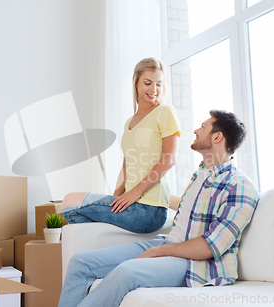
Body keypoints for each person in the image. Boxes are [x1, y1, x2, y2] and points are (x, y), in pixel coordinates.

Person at [58, 110, 260, 307]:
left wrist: (160, 251)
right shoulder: (202, 173)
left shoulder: (240, 186)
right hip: (169, 244)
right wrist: (142, 197)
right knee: (80, 263)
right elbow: (190, 209)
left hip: (197, 265)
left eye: (203, 126)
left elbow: (210, 247)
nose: (196, 130)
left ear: (217, 137)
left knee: (127, 272)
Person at [60, 57, 181, 234]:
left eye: (159, 84)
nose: (154, 90)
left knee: (70, 201)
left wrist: (135, 193)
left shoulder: (165, 112)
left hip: (149, 210)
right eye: (148, 83)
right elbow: (127, 166)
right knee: (70, 205)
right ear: (136, 82)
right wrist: (114, 199)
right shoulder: (129, 123)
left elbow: (169, 159)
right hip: (133, 204)